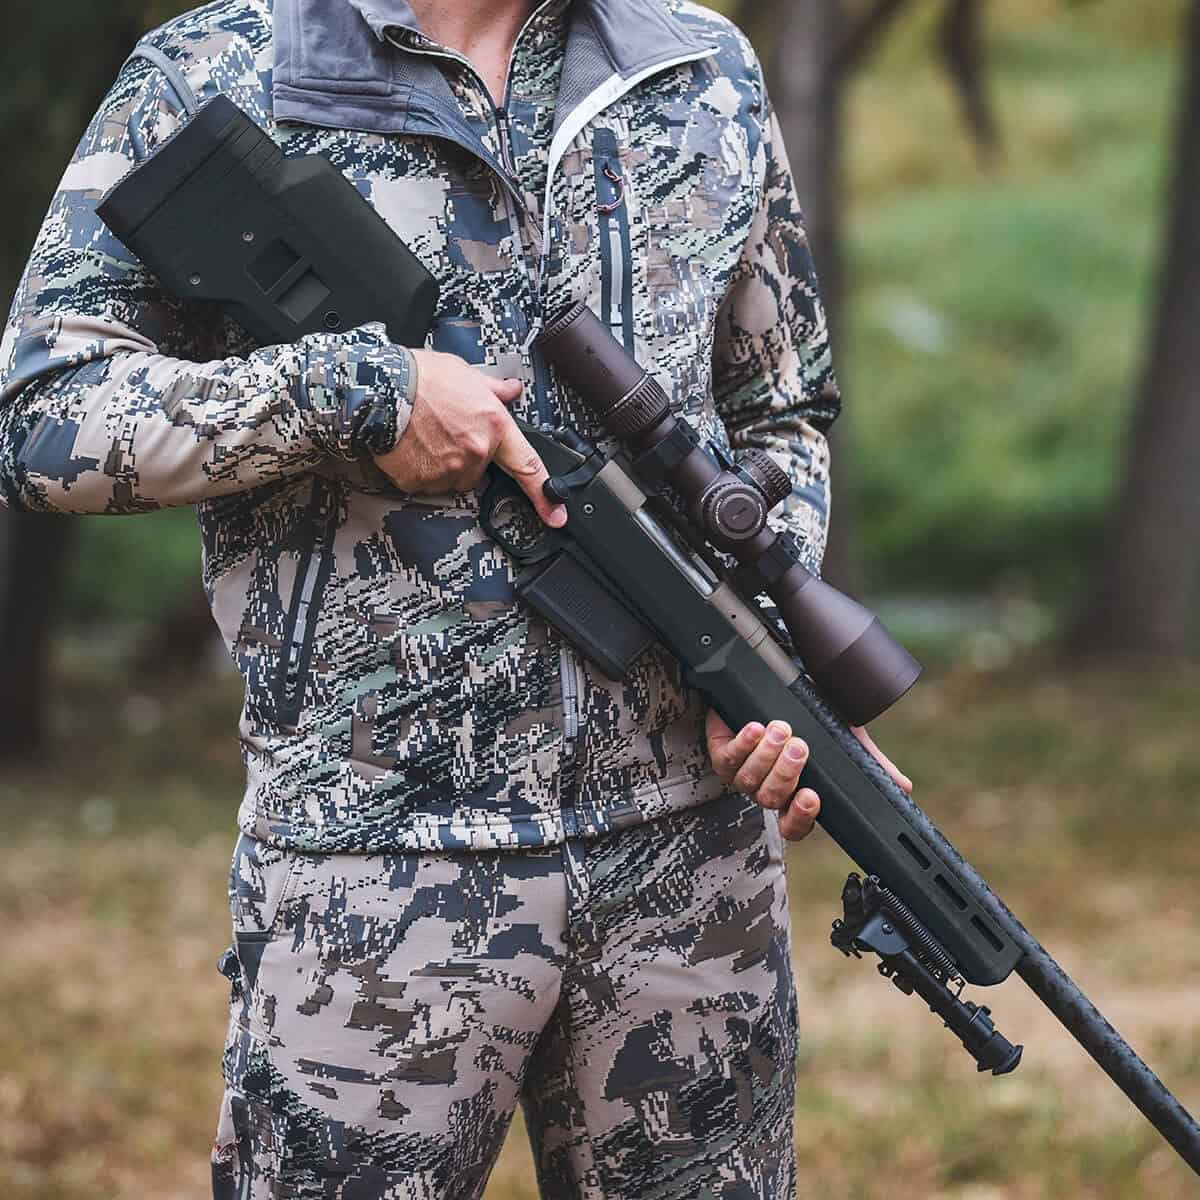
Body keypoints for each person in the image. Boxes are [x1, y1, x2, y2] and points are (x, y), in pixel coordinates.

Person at [0, 0, 912, 1195]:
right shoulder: (223, 64)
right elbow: (45, 417)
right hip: (378, 870)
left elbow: (774, 413)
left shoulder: (694, 64)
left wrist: (760, 657)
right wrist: (358, 396)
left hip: (690, 869)